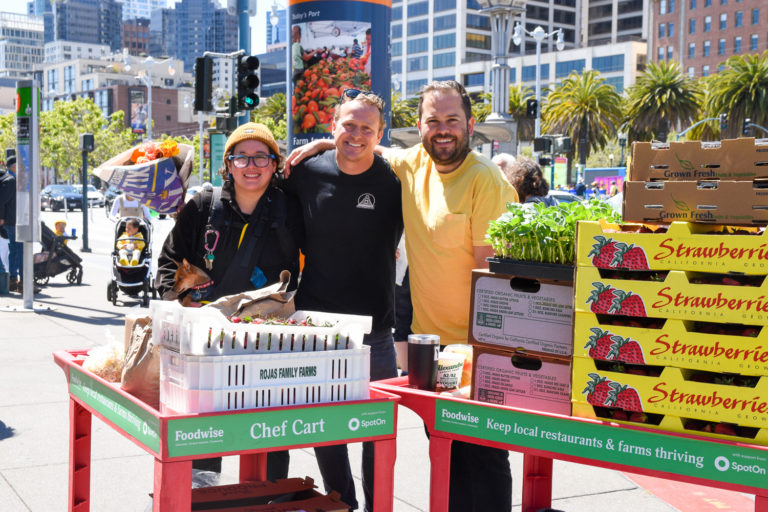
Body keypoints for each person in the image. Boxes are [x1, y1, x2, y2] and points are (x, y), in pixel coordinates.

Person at [287, 80, 518, 512]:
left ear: (470, 124)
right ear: (419, 126)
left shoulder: (485, 179)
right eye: (434, 121)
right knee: (448, 454)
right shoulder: (412, 165)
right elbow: (359, 143)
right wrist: (324, 141)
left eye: (452, 120)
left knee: (484, 455)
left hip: (476, 347)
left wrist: (486, 352)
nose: (443, 130)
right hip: (431, 344)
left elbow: (494, 277)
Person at [155, 122, 302, 477]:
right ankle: (206, 496)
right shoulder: (203, 207)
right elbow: (166, 264)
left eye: (261, 157)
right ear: (228, 164)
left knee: (270, 434)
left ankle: (269, 498)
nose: (251, 166)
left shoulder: (292, 210)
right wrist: (182, 300)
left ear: (274, 163)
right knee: (206, 434)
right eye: (241, 157)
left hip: (269, 343)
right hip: (207, 344)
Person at [283, 89, 403, 512]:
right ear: (333, 126)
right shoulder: (307, 172)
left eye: (366, 128)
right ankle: (342, 504)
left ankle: (378, 507)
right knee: (325, 430)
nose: (356, 135)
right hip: (318, 328)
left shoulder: (394, 180)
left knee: (378, 433)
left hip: (377, 332)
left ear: (380, 133)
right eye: (347, 126)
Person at [0, 153, 23, 293]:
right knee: (18, 249)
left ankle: (13, 279)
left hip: (11, 219)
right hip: (13, 219)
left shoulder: (8, 179)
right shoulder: (10, 180)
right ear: (14, 166)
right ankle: (19, 280)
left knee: (14, 248)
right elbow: (3, 201)